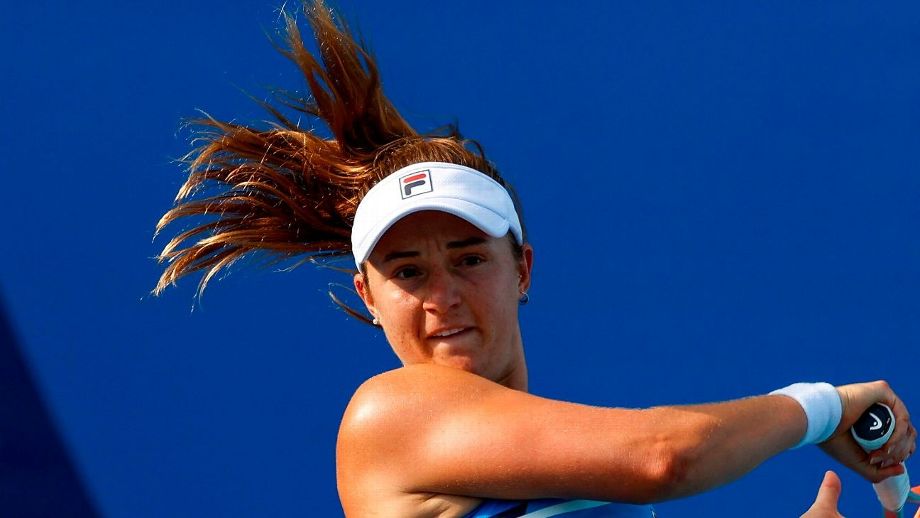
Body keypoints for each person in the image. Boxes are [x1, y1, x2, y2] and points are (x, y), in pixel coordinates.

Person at [153, 2, 916, 516]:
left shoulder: (570, 473)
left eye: (468, 259)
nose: (442, 295)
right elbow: (664, 457)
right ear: (367, 296)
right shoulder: (387, 416)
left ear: (521, 269)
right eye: (408, 272)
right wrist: (822, 407)